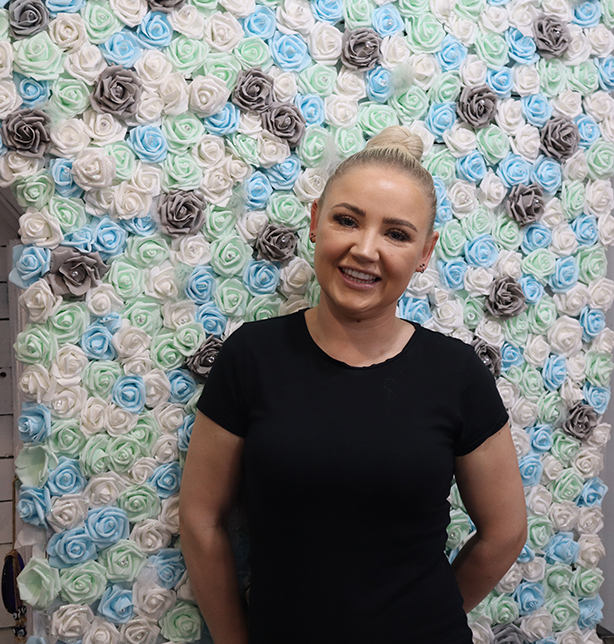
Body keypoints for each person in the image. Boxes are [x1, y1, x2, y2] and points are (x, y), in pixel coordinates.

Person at [180, 125, 527, 644]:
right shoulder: (252, 357)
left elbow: (504, 532)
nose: (366, 250)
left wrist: (425, 616)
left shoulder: (456, 374)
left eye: (396, 233)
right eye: (347, 220)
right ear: (316, 220)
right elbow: (201, 520)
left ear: (425, 251)